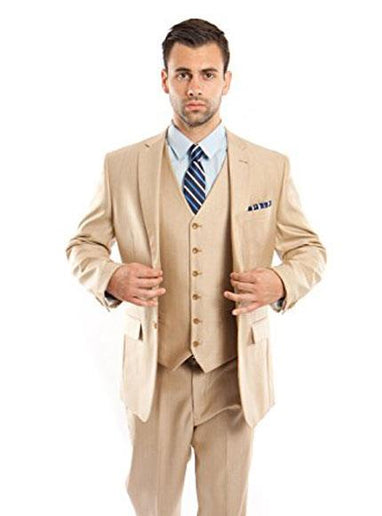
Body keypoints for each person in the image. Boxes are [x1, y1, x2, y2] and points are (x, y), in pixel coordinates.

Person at [65, 17, 327, 516]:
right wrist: (112, 277)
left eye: (207, 74)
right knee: (152, 503)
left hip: (233, 373)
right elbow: (83, 245)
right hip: (156, 372)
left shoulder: (270, 167)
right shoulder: (121, 165)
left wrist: (279, 281)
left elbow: (310, 250)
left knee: (227, 508)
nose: (195, 88)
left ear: (227, 81)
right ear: (164, 79)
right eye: (183, 74)